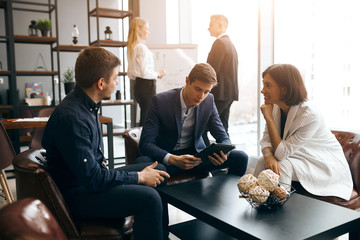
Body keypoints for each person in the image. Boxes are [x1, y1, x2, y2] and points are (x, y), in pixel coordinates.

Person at [42, 47, 170, 240]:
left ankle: (159, 235)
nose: (117, 82)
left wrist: (138, 176)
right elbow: (92, 179)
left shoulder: (87, 105)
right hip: (80, 195)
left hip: (90, 182)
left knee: (158, 169)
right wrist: (138, 178)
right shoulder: (72, 117)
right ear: (101, 83)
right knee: (149, 199)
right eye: (116, 77)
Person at [254, 64, 353, 200]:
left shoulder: (309, 114)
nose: (262, 90)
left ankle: (279, 206)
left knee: (282, 166)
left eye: (268, 85)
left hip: (322, 164)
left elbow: (282, 154)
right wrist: (268, 156)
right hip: (297, 157)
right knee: (261, 162)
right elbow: (266, 139)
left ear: (284, 90)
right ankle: (257, 200)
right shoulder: (276, 107)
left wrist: (269, 119)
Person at [135, 63, 248, 178]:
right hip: (167, 159)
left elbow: (222, 136)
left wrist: (223, 152)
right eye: (198, 89)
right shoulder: (160, 101)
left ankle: (224, 195)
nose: (201, 96)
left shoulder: (209, 100)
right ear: (187, 81)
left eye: (206, 91)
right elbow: (146, 144)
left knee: (241, 157)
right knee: (142, 163)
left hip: (196, 158)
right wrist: (172, 159)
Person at [202, 14, 239, 146]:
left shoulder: (219, 43)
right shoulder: (230, 44)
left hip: (219, 94)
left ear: (220, 25)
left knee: (201, 128)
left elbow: (210, 72)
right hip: (229, 94)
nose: (208, 28)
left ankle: (204, 160)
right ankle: (226, 161)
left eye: (211, 24)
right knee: (223, 129)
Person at [127, 17, 166, 126]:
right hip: (146, 86)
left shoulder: (132, 47)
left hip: (138, 85)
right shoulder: (141, 48)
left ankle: (142, 141)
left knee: (145, 115)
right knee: (148, 118)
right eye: (147, 29)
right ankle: (143, 142)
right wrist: (158, 73)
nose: (148, 32)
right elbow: (144, 73)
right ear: (139, 29)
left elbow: (132, 73)